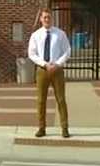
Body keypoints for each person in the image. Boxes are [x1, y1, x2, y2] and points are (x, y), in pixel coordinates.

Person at [28, 8, 71, 138]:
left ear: (52, 18)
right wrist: (44, 64)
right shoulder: (36, 35)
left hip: (57, 70)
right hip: (42, 70)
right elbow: (32, 53)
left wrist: (57, 64)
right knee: (41, 100)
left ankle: (64, 128)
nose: (47, 19)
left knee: (61, 99)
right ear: (41, 19)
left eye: (49, 17)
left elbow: (67, 51)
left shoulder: (60, 34)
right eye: (45, 17)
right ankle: (41, 128)